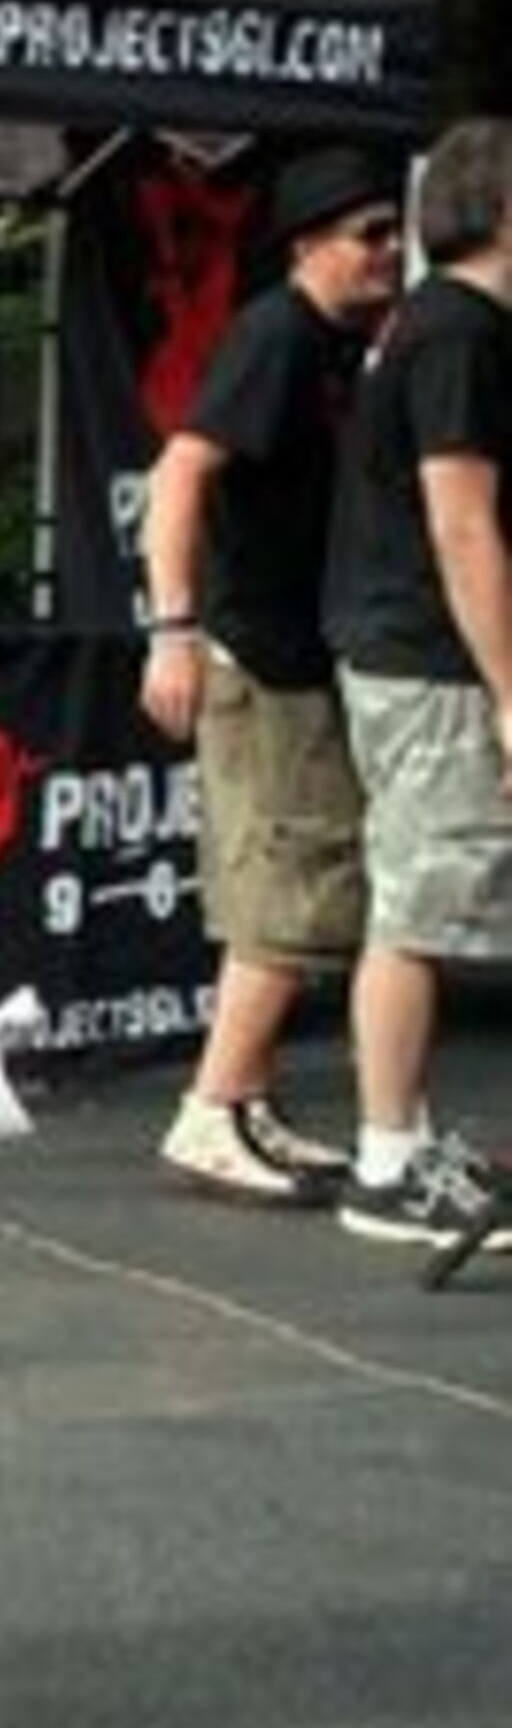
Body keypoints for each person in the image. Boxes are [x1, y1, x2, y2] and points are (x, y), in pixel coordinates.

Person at [137, 143, 406, 1204]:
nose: (390, 251)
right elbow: (180, 472)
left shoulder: (342, 348)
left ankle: (242, 1100)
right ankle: (207, 1110)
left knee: (306, 880)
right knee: (284, 888)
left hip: (306, 647)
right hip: (259, 649)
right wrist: (174, 628)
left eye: (395, 230)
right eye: (367, 234)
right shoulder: (277, 337)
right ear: (309, 247)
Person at [321, 115, 512, 1248]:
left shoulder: (445, 327)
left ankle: (403, 1138)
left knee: (427, 895)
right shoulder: (459, 335)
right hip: (429, 658)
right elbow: (461, 522)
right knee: (418, 904)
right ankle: (387, 1160)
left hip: (419, 650)